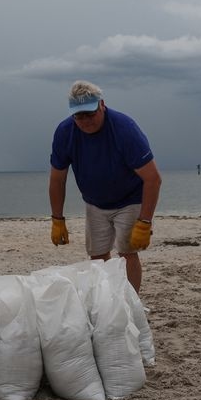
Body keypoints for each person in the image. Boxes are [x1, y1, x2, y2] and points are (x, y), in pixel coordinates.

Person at [49, 80, 161, 293]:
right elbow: (57, 178)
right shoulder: (65, 132)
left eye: (90, 114)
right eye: (79, 116)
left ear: (102, 105)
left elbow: (153, 178)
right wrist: (57, 219)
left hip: (130, 198)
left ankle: (130, 304)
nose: (85, 121)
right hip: (95, 202)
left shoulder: (124, 128)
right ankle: (105, 301)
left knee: (127, 253)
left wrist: (144, 222)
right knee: (97, 257)